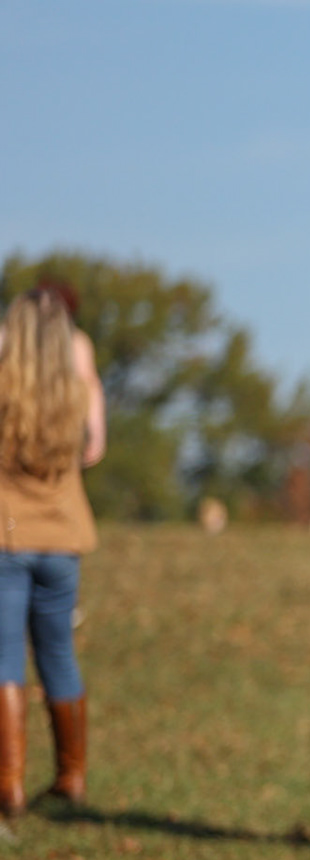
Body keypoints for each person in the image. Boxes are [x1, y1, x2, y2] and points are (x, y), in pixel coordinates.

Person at [0, 288, 106, 819]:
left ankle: (10, 784)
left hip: (8, 532)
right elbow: (93, 450)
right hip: (64, 537)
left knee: (4, 657)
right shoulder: (78, 392)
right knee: (58, 652)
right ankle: (71, 776)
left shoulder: (4, 385)